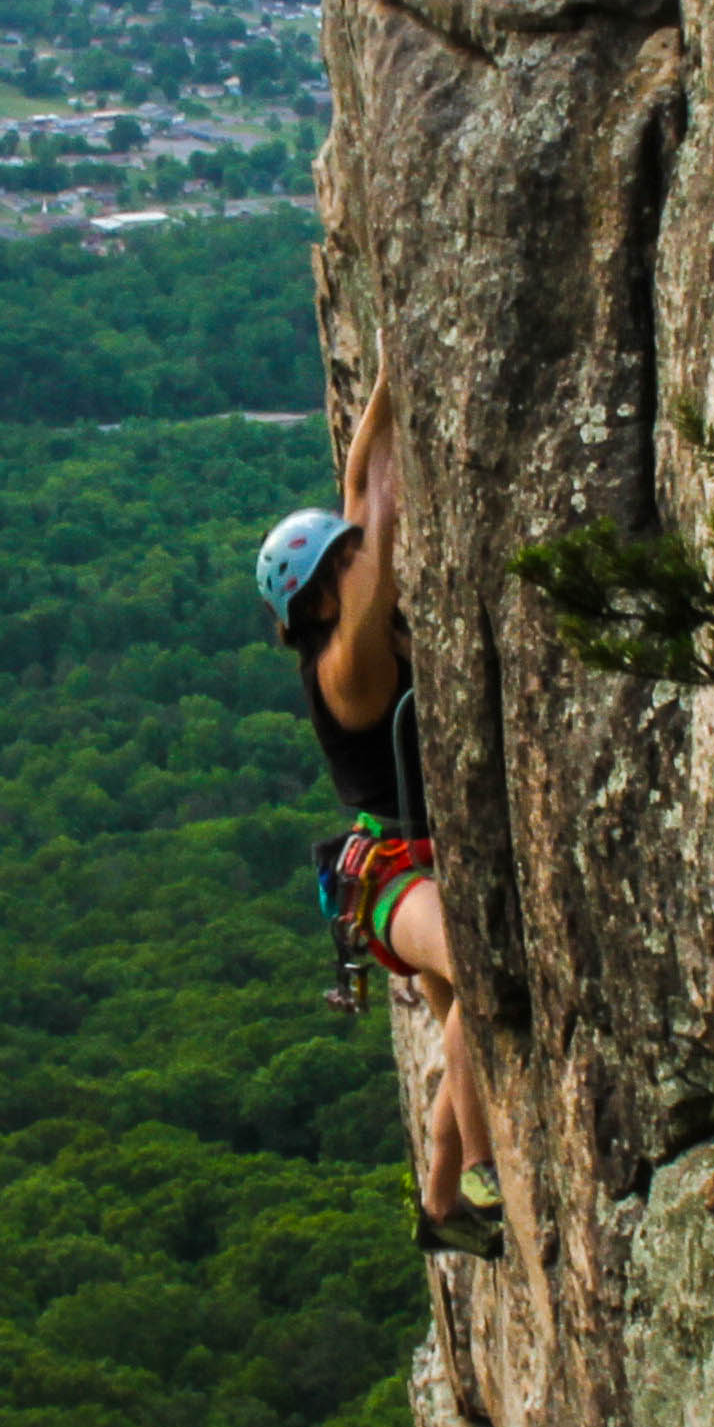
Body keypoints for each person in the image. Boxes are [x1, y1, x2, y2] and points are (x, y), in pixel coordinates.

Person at [259, 361, 512, 1258]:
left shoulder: (354, 624)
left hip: (412, 864)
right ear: (321, 599)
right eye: (342, 563)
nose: (359, 558)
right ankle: (480, 1169)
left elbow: (363, 489)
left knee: (465, 1027)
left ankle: (440, 1207)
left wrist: (397, 372)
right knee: (479, 966)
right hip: (395, 879)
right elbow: (373, 512)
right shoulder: (349, 661)